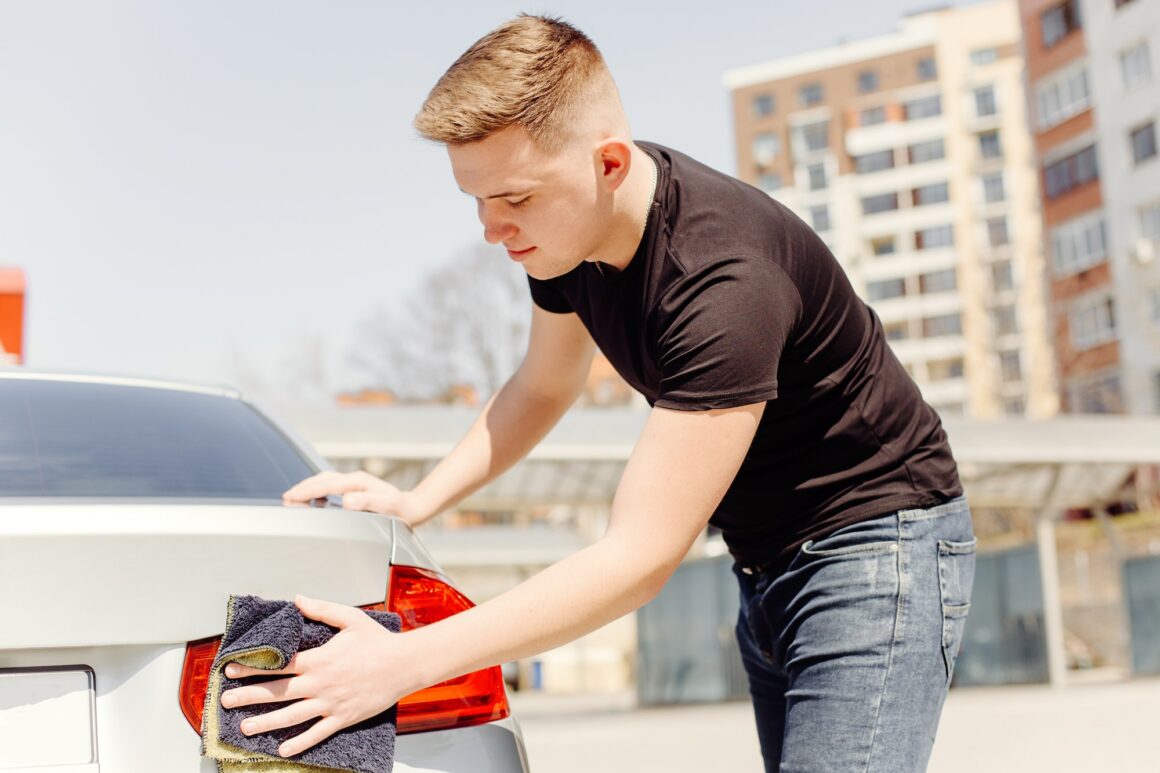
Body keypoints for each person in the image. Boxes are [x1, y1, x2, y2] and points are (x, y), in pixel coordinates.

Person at [221, 15, 976, 771]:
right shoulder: (563, 239)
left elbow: (638, 556)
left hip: (878, 548)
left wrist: (403, 659)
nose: (492, 229)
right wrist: (420, 499)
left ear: (609, 163)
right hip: (767, 559)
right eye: (476, 199)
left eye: (513, 196)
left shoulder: (724, 283)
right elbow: (545, 383)